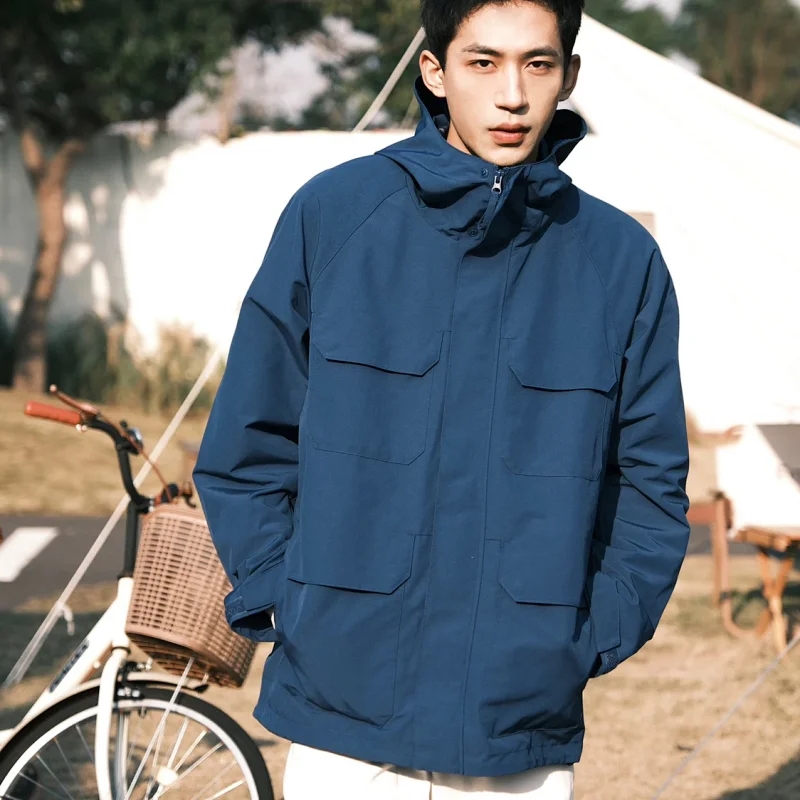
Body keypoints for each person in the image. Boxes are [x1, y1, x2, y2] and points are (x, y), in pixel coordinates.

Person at [193, 0, 691, 797]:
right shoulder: (335, 216)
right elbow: (248, 446)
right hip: (343, 715)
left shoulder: (621, 261)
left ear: (569, 76)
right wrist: (289, 603)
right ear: (434, 70)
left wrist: (585, 638)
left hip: (517, 727)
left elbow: (650, 483)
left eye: (537, 64)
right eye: (483, 62)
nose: (512, 95)